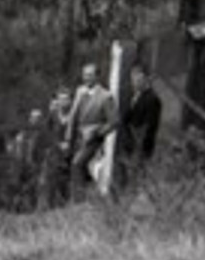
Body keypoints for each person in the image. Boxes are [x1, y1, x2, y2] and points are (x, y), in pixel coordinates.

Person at [64, 62, 119, 197]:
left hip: (93, 140)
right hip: (76, 137)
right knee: (73, 166)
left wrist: (97, 132)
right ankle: (79, 197)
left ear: (97, 77)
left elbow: (114, 122)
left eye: (90, 75)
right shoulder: (79, 92)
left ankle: (79, 198)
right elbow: (73, 116)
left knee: (77, 164)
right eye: (84, 75)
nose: (86, 78)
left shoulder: (106, 96)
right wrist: (68, 138)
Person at [120, 64, 163, 185]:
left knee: (137, 177)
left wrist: (139, 145)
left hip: (141, 145)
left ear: (147, 79)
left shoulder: (152, 99)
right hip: (130, 143)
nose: (135, 83)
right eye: (133, 80)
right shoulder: (135, 97)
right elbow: (126, 118)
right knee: (129, 176)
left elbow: (150, 126)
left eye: (139, 80)